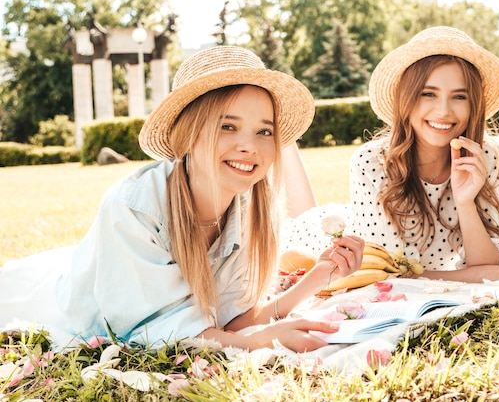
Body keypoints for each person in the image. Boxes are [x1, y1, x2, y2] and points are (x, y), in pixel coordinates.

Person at [0, 46, 364, 353]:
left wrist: (317, 277)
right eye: (227, 126)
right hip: (36, 298)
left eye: (264, 131)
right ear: (190, 136)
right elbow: (158, 331)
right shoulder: (133, 208)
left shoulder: (247, 209)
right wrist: (260, 342)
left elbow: (228, 321)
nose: (249, 146)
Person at [282, 26, 499, 286]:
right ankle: (283, 140)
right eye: (428, 94)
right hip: (323, 238)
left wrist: (465, 201)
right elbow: (389, 276)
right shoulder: (371, 162)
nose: (443, 111)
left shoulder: (487, 158)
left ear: (474, 105)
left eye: (460, 96)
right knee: (292, 236)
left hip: (359, 227)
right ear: (406, 99)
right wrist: (487, 275)